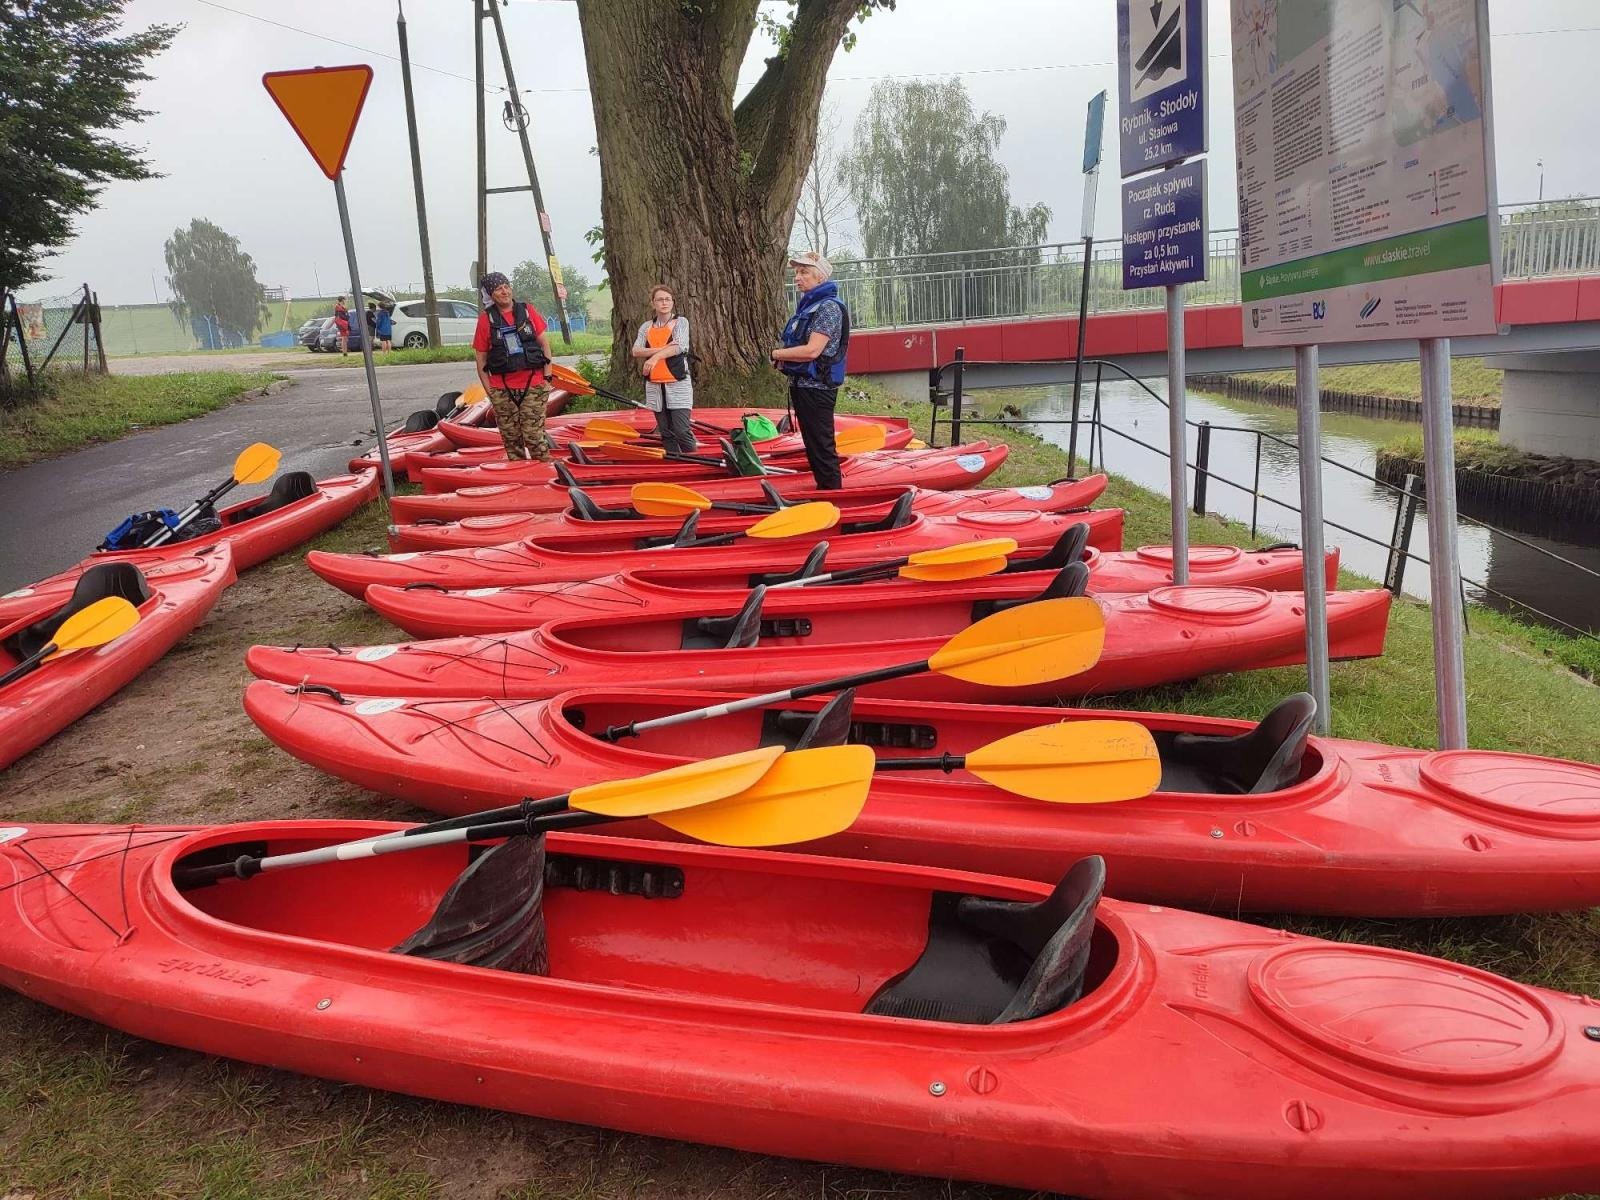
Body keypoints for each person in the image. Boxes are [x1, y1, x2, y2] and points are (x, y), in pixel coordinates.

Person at [771, 251, 850, 490]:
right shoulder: (809, 306)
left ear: (820, 278)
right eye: (796, 272)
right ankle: (824, 490)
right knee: (814, 447)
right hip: (803, 387)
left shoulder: (827, 308)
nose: (797, 277)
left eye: (804, 272)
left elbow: (813, 351)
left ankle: (833, 497)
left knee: (822, 448)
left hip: (817, 390)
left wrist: (776, 354)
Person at [473, 271, 554, 462]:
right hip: (502, 389)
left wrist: (547, 377)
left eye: (506, 287)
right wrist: (490, 391)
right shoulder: (486, 320)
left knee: (534, 437)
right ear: (490, 294)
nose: (504, 291)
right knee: (512, 440)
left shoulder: (526, 311)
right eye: (499, 289)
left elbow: (545, 344)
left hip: (533, 384)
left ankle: (546, 474)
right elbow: (481, 359)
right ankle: (520, 477)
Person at [630, 284, 696, 455]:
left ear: (673, 302)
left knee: (681, 430)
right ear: (653, 303)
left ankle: (694, 458)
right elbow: (636, 350)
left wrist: (654, 357)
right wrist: (661, 349)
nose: (664, 303)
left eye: (668, 299)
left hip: (678, 383)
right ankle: (675, 460)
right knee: (666, 432)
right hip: (655, 386)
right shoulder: (646, 327)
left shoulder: (681, 322)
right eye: (660, 299)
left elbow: (680, 346)